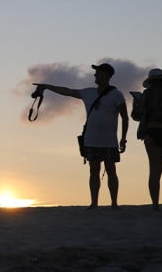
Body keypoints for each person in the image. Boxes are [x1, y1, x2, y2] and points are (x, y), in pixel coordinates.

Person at [34, 63, 129, 209]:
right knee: (94, 171)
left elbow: (125, 117)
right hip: (91, 139)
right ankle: (94, 203)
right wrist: (47, 86)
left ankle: (114, 203)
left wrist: (123, 138)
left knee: (111, 170)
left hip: (109, 141)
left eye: (97, 73)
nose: (95, 75)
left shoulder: (116, 95)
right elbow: (67, 91)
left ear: (105, 74)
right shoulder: (88, 92)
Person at [131, 68, 162, 211]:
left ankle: (155, 205)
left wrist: (137, 102)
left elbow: (137, 116)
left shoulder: (147, 94)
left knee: (154, 170)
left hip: (153, 131)